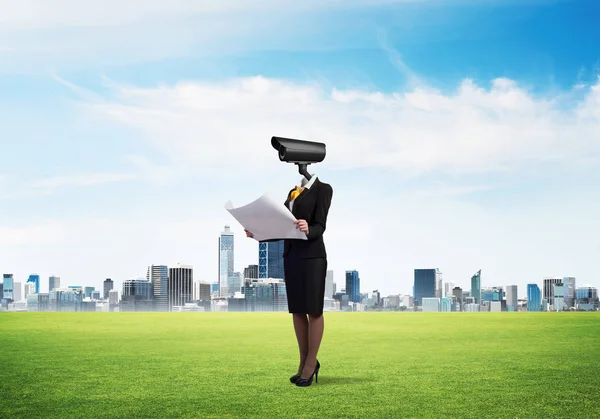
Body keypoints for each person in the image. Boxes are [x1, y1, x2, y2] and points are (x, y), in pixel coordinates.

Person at [245, 173, 333, 387]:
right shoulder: (292, 193)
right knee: (297, 310)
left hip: (313, 257)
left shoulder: (324, 189)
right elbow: (282, 227)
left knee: (314, 310)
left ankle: (311, 363)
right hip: (292, 257)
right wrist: (257, 233)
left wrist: (308, 228)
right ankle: (303, 363)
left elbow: (320, 225)